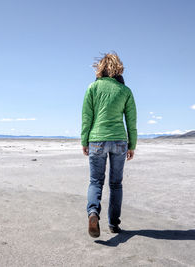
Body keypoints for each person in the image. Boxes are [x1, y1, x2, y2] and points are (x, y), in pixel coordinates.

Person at [81, 52, 137, 238]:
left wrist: (84, 140)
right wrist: (132, 145)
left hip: (96, 139)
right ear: (118, 68)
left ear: (101, 68)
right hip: (119, 141)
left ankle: (93, 214)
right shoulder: (125, 91)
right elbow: (131, 121)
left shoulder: (93, 88)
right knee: (116, 184)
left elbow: (86, 117)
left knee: (96, 181)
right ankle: (114, 224)